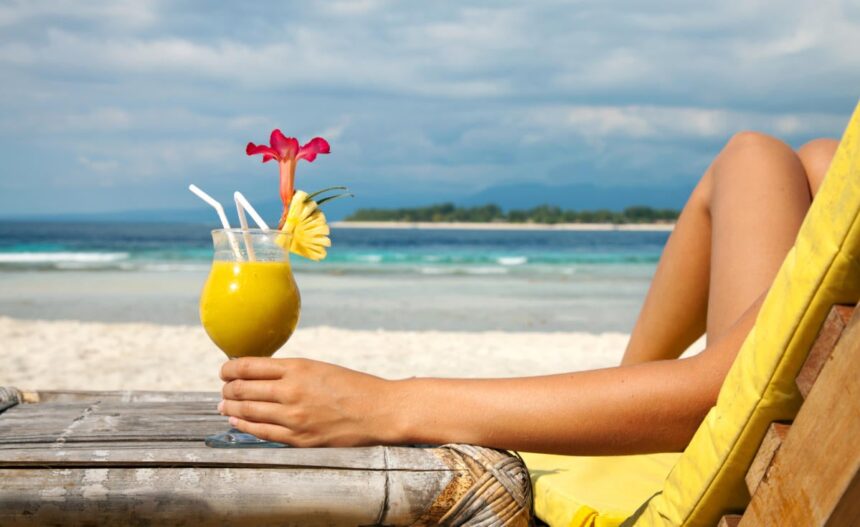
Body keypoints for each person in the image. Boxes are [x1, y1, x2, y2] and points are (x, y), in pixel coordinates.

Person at [216, 132, 839, 455]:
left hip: (760, 441)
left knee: (778, 158)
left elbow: (724, 396)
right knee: (779, 156)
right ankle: (632, 384)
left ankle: (629, 406)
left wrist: (387, 406)